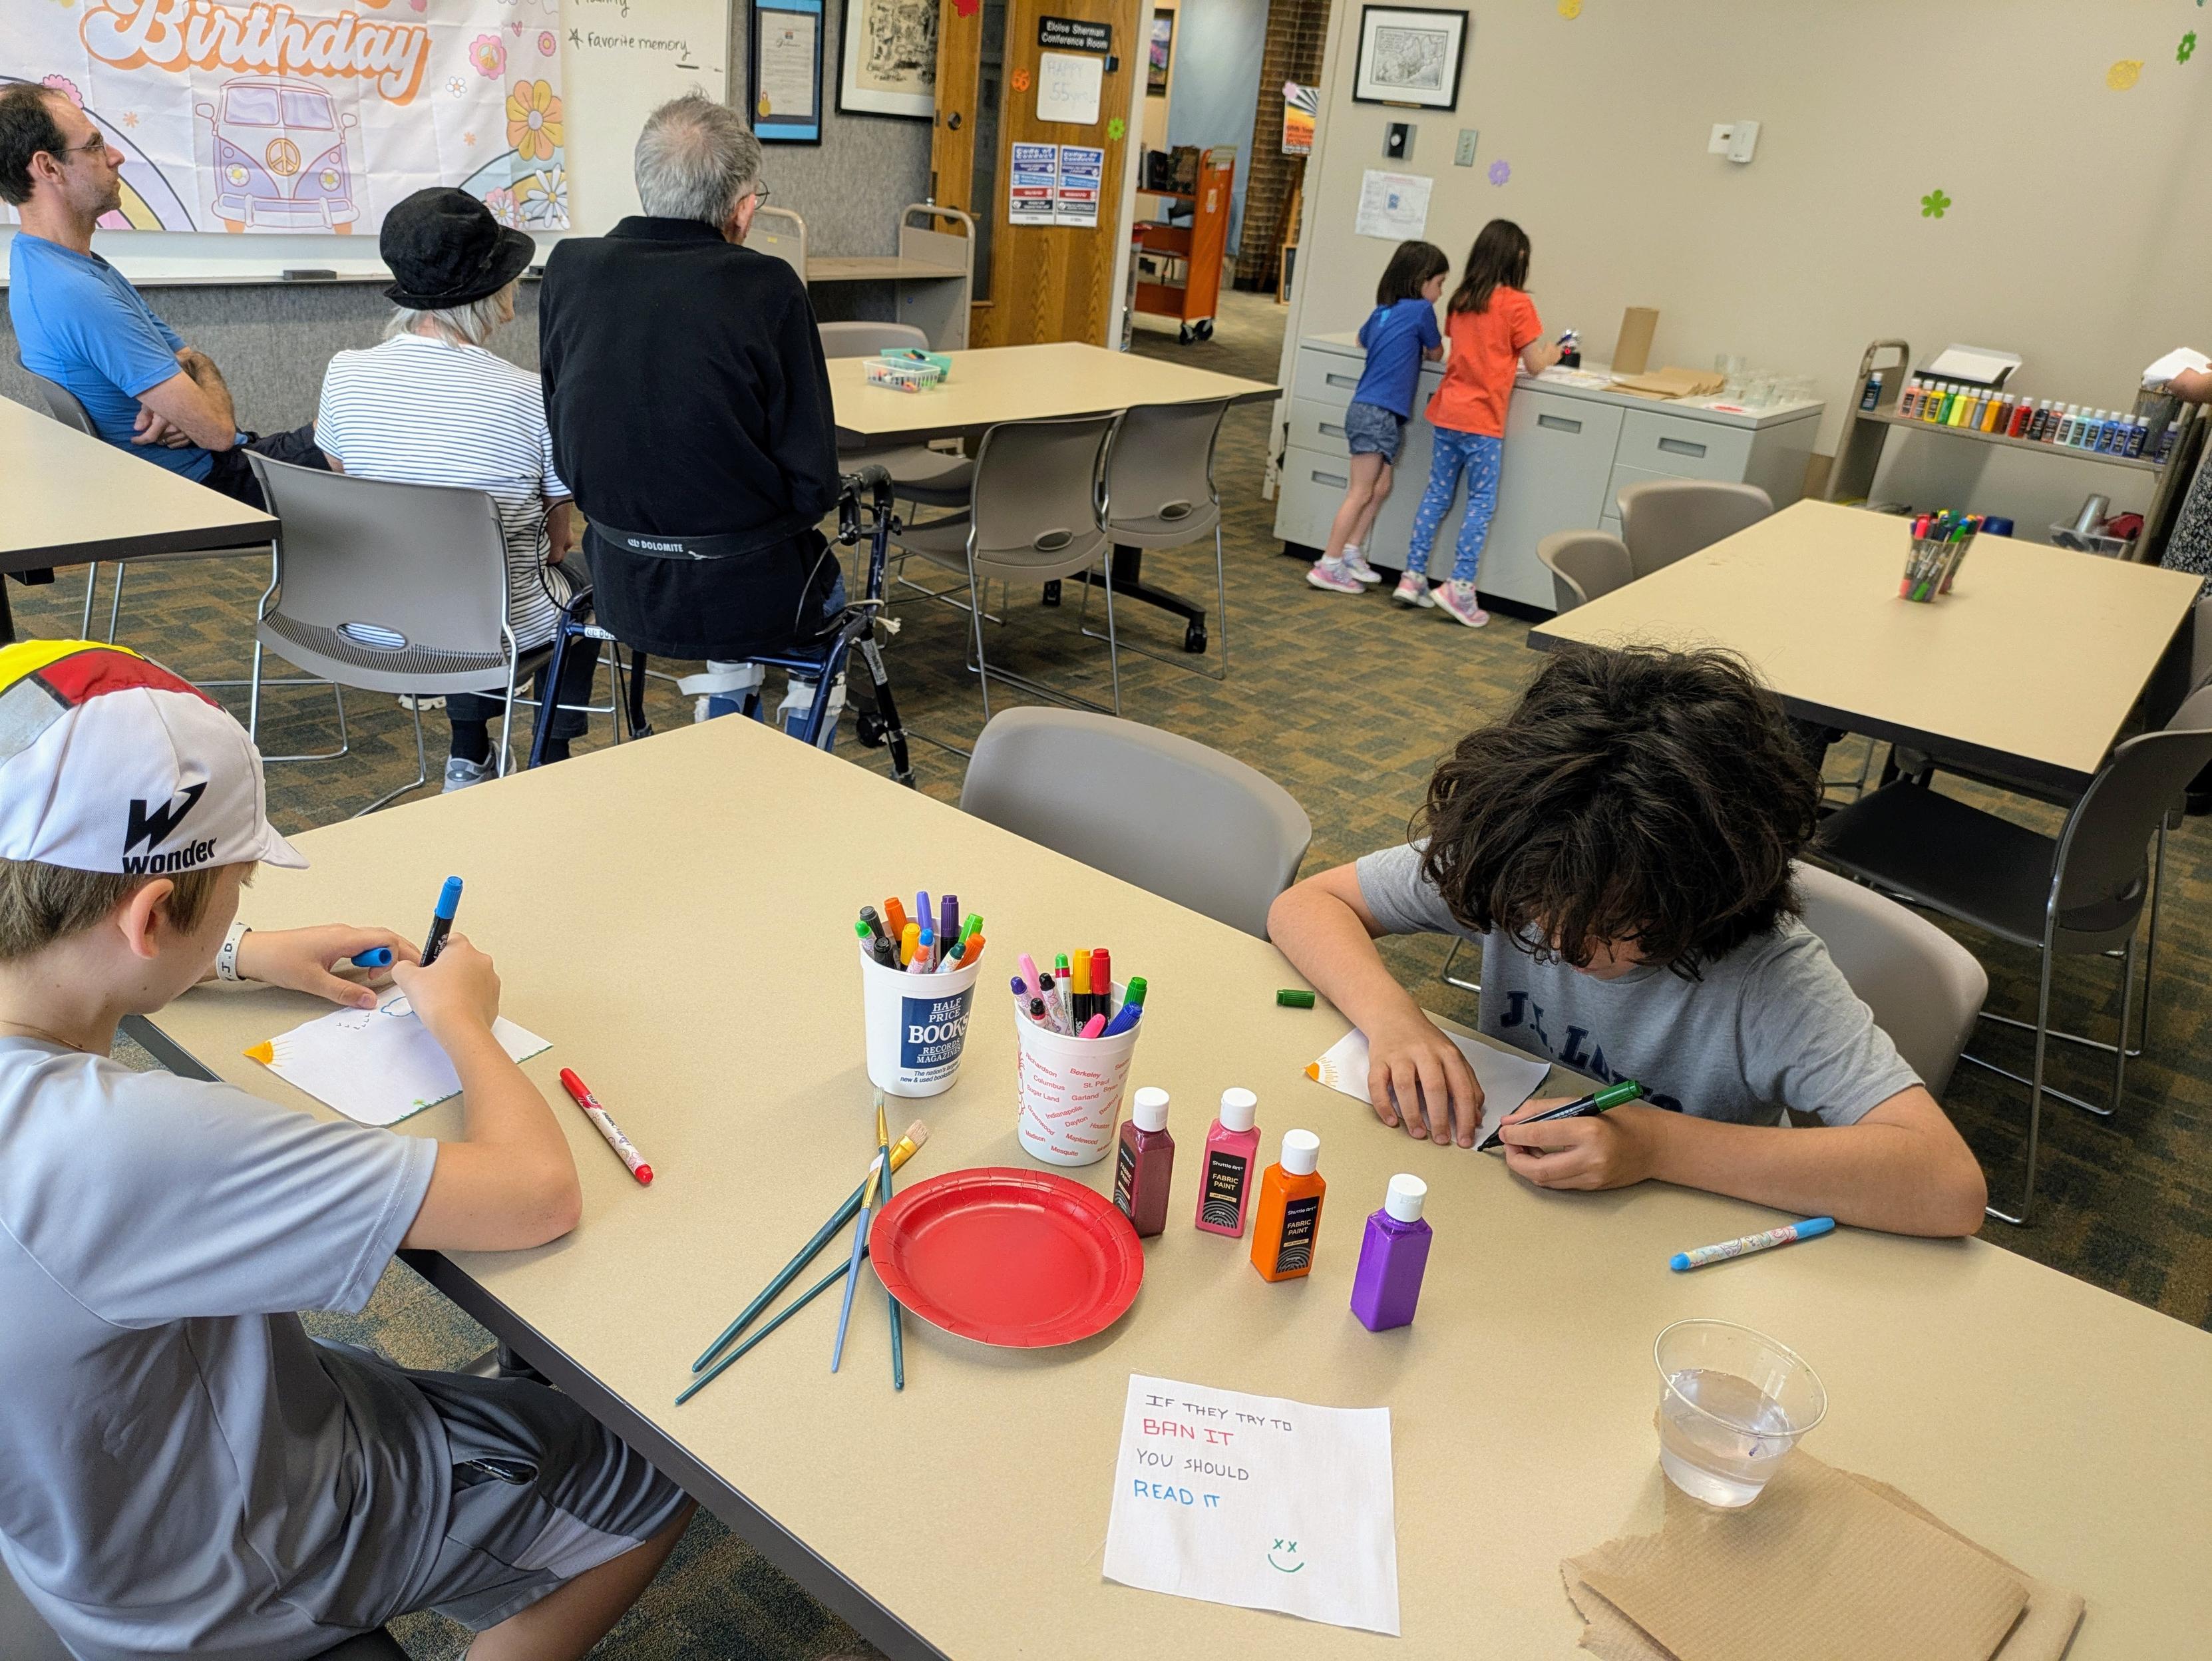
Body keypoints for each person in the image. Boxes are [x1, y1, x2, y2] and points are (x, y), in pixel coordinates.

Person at [0, 638, 694, 1660]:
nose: (243, 902)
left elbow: (88, 942)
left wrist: (233, 952)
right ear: (149, 916)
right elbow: (535, 1196)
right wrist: (463, 1018)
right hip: (224, 1577)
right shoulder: (122, 1143)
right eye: (239, 883)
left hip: (72, 1510)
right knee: (652, 1471)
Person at [1266, 644, 1990, 1238]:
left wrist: (1657, 1146)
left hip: (1665, 1244)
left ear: (1704, 897)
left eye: (1606, 931)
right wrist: (1394, 1022)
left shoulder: (1770, 977)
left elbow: (1946, 1184)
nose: (1552, 939)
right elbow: (1307, 904)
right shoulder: (1532, 858)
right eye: (1534, 911)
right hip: (1505, 1213)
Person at [538, 93, 847, 730]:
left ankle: (729, 685)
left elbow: (566, 426)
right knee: (825, 584)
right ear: (740, 208)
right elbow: (813, 482)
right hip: (748, 586)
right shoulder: (769, 287)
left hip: (621, 578)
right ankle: (790, 736)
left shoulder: (570, 269)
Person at [315, 186, 596, 791]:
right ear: (498, 290)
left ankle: (468, 756)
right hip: (492, 626)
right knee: (584, 582)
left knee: (462, 579)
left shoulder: (344, 373)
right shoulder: (529, 396)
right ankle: (551, 754)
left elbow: (351, 495)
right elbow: (554, 543)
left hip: (373, 616)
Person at [0, 82, 327, 507]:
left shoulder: (57, 264)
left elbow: (189, 356)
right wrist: (194, 390)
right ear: (49, 168)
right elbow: (218, 431)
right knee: (378, 428)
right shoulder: (75, 291)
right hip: (211, 487)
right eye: (95, 145)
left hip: (211, 470)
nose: (116, 156)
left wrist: (190, 375)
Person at [1393, 219, 1563, 627]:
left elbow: (1464, 347)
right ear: (1517, 258)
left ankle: (1412, 576)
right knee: (1481, 502)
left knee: (1437, 493)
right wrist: (1555, 352)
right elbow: (1535, 366)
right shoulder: (1518, 305)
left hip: (1449, 411)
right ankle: (1461, 585)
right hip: (1483, 420)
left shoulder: (1461, 298)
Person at [1306, 239, 1449, 595]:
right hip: (1377, 414)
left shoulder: (1381, 311)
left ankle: (1352, 550)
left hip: (1377, 413)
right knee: (1360, 491)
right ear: (1421, 280)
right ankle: (1330, 563)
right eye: (1439, 283)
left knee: (1381, 487)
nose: (1441, 292)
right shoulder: (1420, 311)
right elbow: (1436, 351)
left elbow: (1362, 339)